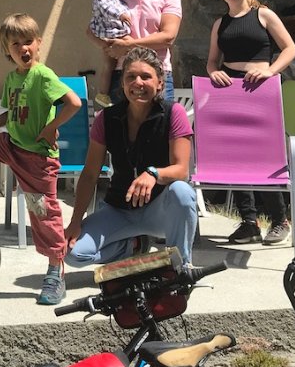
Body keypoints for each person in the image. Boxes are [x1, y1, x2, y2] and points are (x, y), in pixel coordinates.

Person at [0, 14, 81, 306]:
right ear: (6, 50)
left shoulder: (43, 75)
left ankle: (55, 270)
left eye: (28, 42)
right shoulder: (12, 78)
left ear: (38, 43)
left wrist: (50, 128)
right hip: (11, 145)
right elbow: (10, 114)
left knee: (44, 215)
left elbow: (74, 103)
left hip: (37, 160)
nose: (23, 48)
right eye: (16, 44)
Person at [64, 47, 197, 268]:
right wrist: (75, 221)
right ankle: (134, 246)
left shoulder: (173, 113)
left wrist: (154, 173)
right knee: (73, 253)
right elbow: (89, 175)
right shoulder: (106, 119)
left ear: (160, 83)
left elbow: (181, 170)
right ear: (123, 84)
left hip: (159, 211)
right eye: (130, 77)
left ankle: (180, 267)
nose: (138, 83)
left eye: (146, 76)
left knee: (182, 191)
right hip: (120, 210)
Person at [206, 0, 295, 246]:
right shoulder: (220, 23)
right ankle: (249, 222)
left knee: (263, 154)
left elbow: (290, 48)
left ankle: (279, 219)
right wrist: (213, 72)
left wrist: (271, 71)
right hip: (229, 89)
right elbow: (212, 60)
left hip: (261, 88)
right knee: (236, 156)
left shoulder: (264, 15)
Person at [88, 0, 182, 104]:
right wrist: (110, 47)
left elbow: (168, 37)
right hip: (123, 73)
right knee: (121, 130)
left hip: (157, 72)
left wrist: (128, 45)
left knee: (158, 128)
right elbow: (91, 30)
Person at [88, 0, 133, 110]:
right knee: (130, 45)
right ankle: (102, 93)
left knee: (110, 64)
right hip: (109, 32)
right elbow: (107, 8)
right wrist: (120, 15)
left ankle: (103, 93)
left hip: (110, 30)